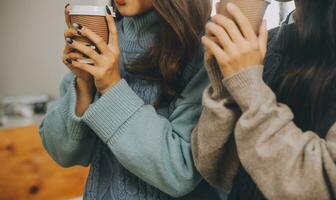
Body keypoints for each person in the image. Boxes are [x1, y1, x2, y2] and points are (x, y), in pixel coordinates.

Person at [39, 0, 221, 199]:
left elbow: (181, 172)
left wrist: (111, 87)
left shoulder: (205, 48)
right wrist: (85, 84)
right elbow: (63, 154)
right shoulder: (104, 40)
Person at [192, 1, 336, 199]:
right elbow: (217, 169)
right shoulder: (271, 42)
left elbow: (321, 187)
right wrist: (225, 81)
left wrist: (248, 86)